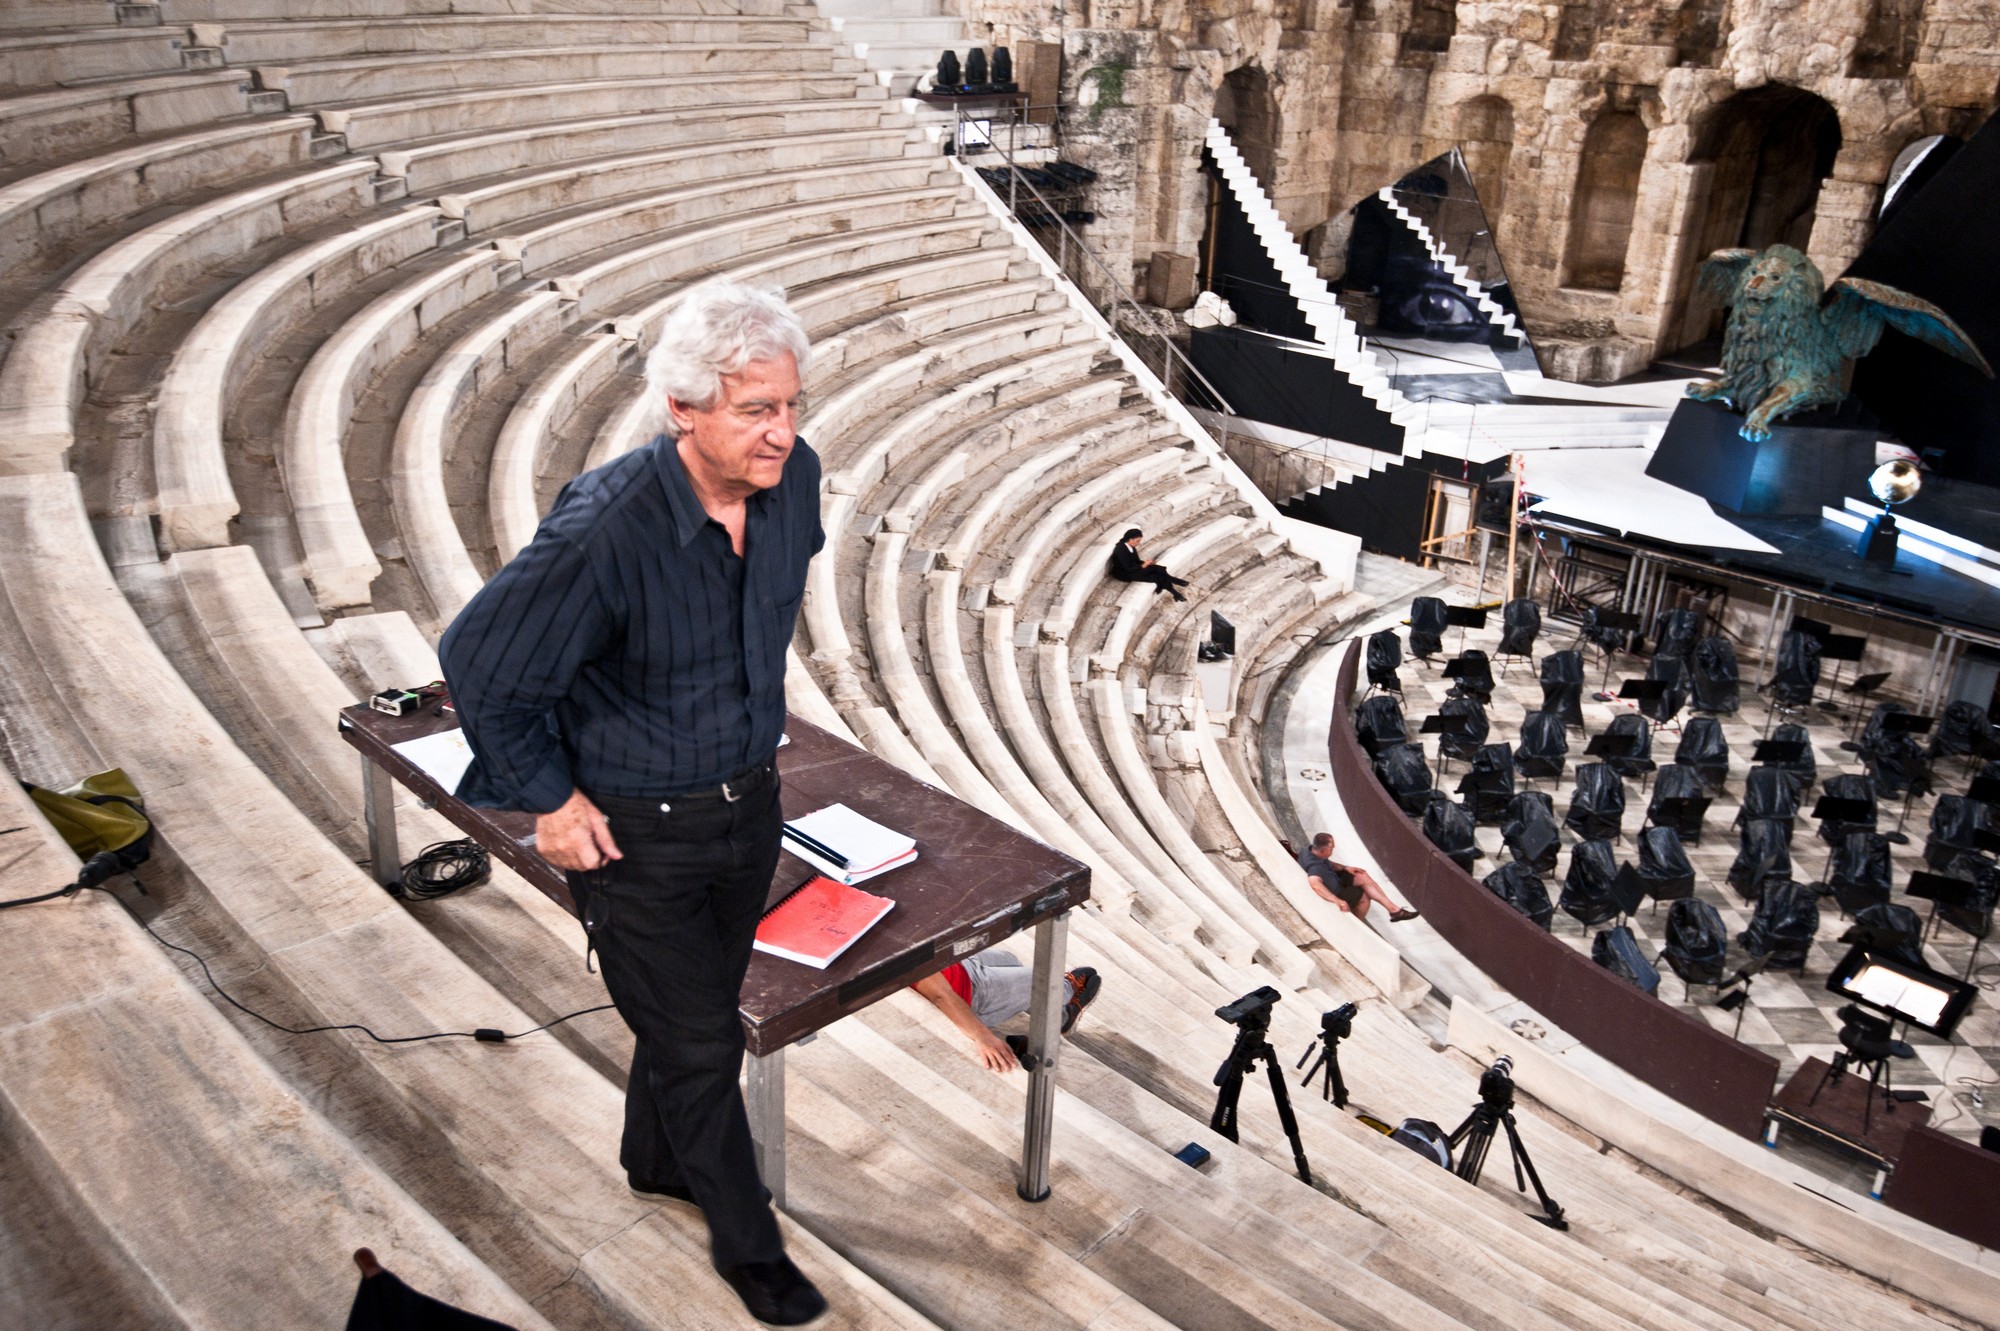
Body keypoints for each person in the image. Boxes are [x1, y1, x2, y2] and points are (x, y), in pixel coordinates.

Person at [439, 279, 827, 1326]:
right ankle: (752, 1251)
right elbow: (479, 660)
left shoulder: (795, 486)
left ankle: (651, 1158)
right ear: (682, 410)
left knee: (685, 1015)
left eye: (789, 404)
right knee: (703, 1044)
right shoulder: (605, 525)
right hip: (635, 832)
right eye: (755, 410)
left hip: (747, 808)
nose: (781, 431)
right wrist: (551, 801)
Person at [912, 951, 1101, 1071]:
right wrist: (982, 1036)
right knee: (1060, 984)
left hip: (959, 965)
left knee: (1011, 960)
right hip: (973, 992)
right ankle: (1062, 1017)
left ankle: (1041, 1007)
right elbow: (941, 995)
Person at [1298, 832, 1420, 922]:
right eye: (1332, 848)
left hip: (1334, 877)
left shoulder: (1311, 851)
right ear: (1324, 850)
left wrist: (1345, 868)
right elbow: (1315, 884)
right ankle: (1356, 923)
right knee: (1364, 896)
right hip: (1336, 890)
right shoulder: (1315, 867)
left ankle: (1394, 910)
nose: (1333, 849)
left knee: (1361, 875)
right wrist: (1337, 900)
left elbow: (1329, 864)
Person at [1108, 528, 1188, 601]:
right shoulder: (1120, 549)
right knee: (1156, 576)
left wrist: (1147, 563)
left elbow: (1137, 561)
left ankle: (1174, 587)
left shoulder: (1131, 546)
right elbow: (1127, 568)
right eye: (1137, 541)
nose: (1138, 543)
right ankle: (1175, 591)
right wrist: (1143, 565)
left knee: (1157, 568)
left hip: (1133, 568)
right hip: (1124, 573)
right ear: (1130, 539)